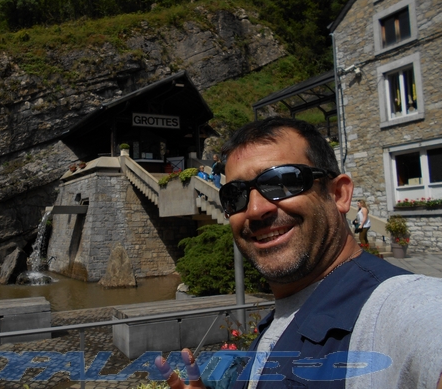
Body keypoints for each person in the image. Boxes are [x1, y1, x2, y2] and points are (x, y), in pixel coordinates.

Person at [156, 117, 442, 389]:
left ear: (338, 194)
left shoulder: (399, 308)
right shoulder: (280, 319)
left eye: (282, 182)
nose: (255, 210)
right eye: (235, 195)